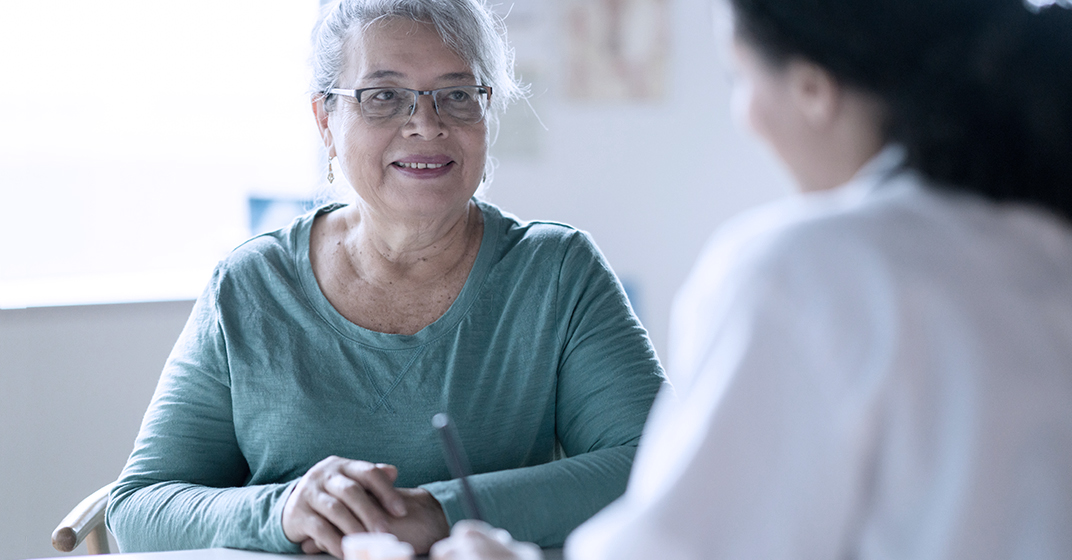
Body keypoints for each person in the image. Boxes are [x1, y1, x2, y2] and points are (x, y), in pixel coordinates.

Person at [432, 0, 1072, 558]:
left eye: (737, 77)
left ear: (814, 89)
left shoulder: (806, 273)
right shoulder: (1041, 241)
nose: (743, 113)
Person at [104, 0, 665, 556]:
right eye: (384, 97)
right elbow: (140, 509)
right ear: (326, 119)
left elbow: (660, 463)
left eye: (458, 95)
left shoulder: (556, 271)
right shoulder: (251, 284)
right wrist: (284, 510)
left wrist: (439, 513)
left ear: (486, 116)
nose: (426, 123)